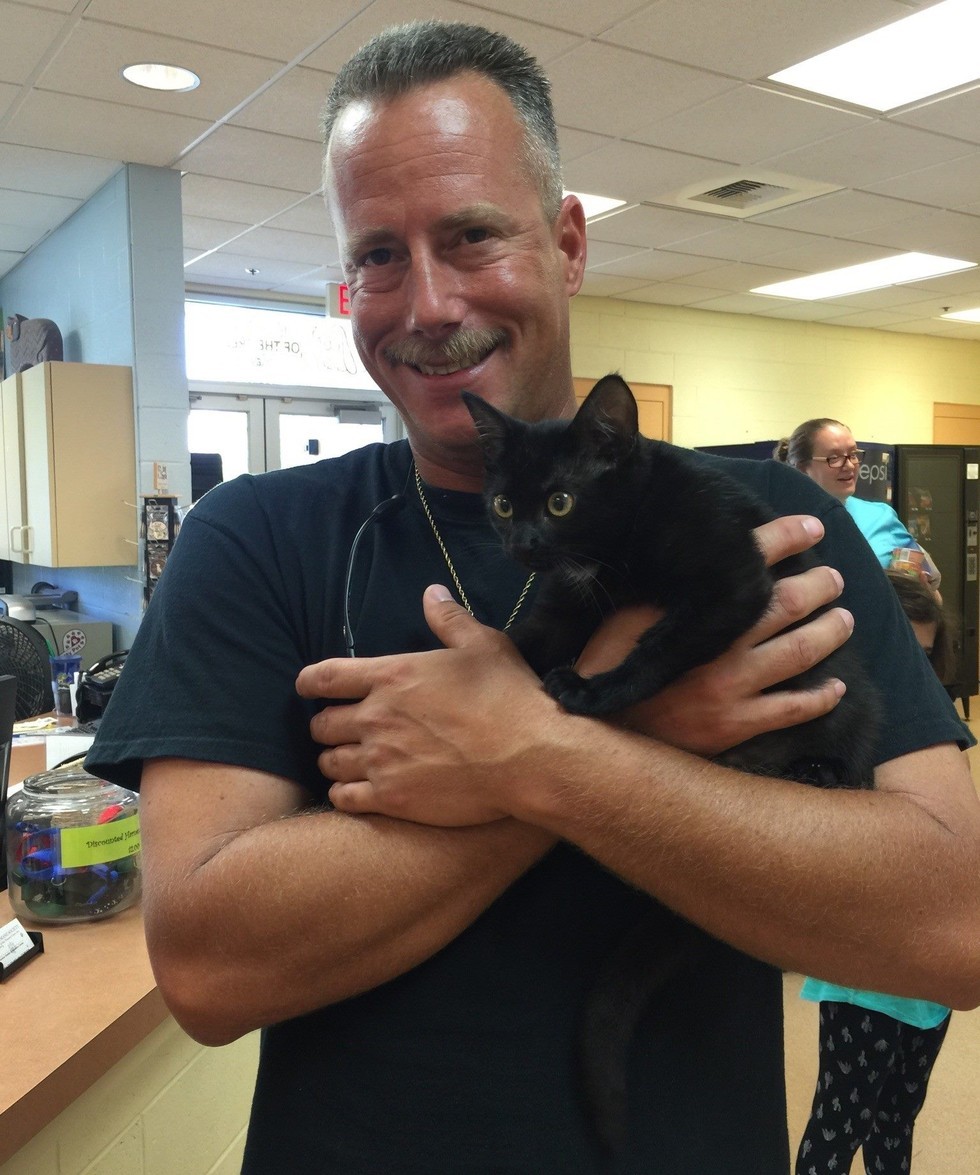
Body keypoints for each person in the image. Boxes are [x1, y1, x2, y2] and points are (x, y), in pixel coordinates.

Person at [85, 21, 979, 1174]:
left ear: (564, 241)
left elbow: (950, 924)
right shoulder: (255, 539)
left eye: (470, 235)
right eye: (378, 256)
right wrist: (629, 731)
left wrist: (537, 754)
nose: (426, 303)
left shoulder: (766, 521)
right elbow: (208, 970)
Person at [795, 576, 961, 1175]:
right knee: (839, 1125)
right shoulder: (835, 736)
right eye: (897, 657)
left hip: (927, 977)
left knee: (897, 1121)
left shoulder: (933, 741)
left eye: (920, 660)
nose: (907, 678)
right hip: (863, 975)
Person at [775, 420, 942, 592]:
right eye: (834, 458)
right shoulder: (781, 524)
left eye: (853, 454)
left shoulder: (881, 516)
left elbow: (930, 591)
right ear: (802, 468)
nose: (848, 465)